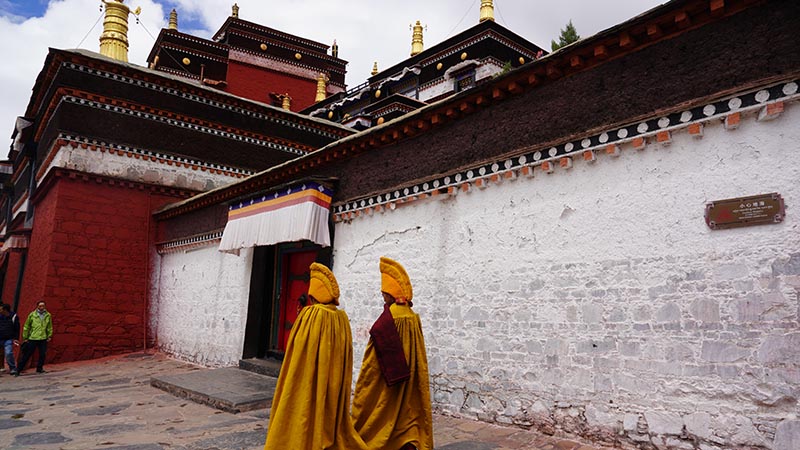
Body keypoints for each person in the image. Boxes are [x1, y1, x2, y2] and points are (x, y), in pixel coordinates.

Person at [264, 263, 367, 450]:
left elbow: (297, 352)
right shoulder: (341, 319)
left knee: (305, 407)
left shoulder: (311, 315)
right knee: (327, 410)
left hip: (309, 376)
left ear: (312, 296)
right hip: (334, 379)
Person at [351, 257, 433, 450]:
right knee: (407, 406)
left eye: (383, 294)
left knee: (385, 406)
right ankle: (407, 438)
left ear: (389, 293)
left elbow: (372, 361)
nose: (382, 297)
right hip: (411, 372)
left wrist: (366, 383)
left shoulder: (389, 318)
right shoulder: (412, 316)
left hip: (388, 378)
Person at [16, 300, 53, 375]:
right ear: (37, 306)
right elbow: (26, 326)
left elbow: (49, 326)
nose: (42, 307)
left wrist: (49, 335)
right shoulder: (32, 315)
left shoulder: (48, 315)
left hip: (43, 337)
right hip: (33, 337)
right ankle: (19, 370)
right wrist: (25, 337)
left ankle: (39, 368)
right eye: (40, 306)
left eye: (43, 306)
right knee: (27, 354)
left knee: (42, 354)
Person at [0, 303, 20, 376]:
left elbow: (17, 328)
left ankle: (12, 368)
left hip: (8, 339)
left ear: (5, 310)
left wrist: (16, 338)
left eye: (1, 309)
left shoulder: (13, 316)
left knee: (8, 353)